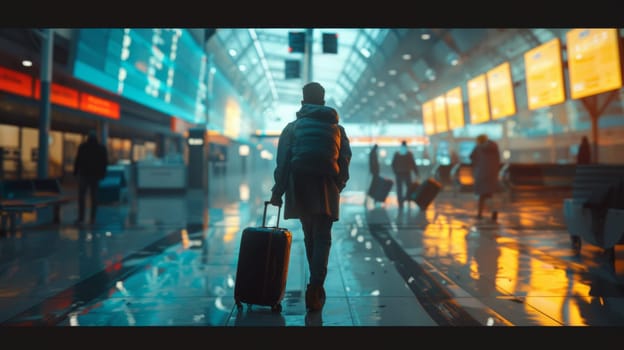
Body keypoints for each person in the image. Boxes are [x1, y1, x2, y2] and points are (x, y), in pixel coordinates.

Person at [269, 82, 352, 312]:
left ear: (303, 101)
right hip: (327, 185)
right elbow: (344, 161)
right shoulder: (338, 129)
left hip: (301, 183)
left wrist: (278, 191)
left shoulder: (292, 128)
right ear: (323, 102)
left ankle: (315, 286)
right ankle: (315, 288)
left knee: (310, 235)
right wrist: (338, 185)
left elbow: (283, 162)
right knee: (323, 236)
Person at [73, 130, 108, 225]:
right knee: (94, 197)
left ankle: (81, 218)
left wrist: (75, 173)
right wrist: (103, 174)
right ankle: (92, 218)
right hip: (95, 176)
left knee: (82, 197)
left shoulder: (83, 147)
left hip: (84, 175)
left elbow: (78, 160)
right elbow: (104, 163)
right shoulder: (101, 148)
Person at [469, 134, 501, 220]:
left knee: (481, 196)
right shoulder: (494, 148)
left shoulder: (478, 148)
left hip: (481, 174)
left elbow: (471, 157)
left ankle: (479, 214)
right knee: (490, 194)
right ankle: (494, 211)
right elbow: (498, 160)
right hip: (492, 174)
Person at [391, 140, 419, 209]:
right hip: (406, 173)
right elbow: (413, 164)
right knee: (408, 187)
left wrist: (395, 171)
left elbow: (393, 164)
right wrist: (416, 173)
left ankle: (400, 201)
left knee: (399, 188)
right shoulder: (409, 154)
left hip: (399, 173)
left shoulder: (397, 154)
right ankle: (408, 199)